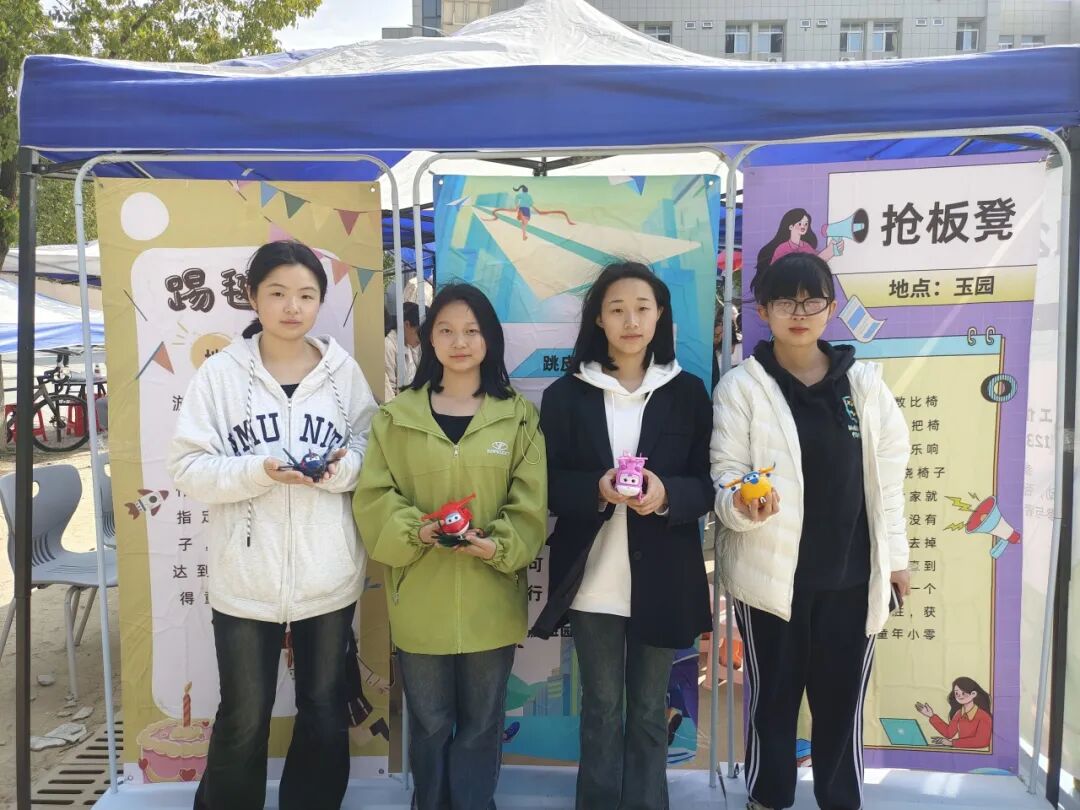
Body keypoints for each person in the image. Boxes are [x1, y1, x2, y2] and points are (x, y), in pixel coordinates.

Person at [168, 240, 378, 810]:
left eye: (306, 295)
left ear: (320, 302)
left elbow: (372, 453)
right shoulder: (221, 375)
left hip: (326, 575)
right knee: (243, 714)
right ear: (253, 297)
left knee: (324, 709)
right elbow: (187, 468)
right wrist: (257, 471)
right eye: (278, 293)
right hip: (245, 580)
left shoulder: (342, 374)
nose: (292, 307)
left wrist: (338, 470)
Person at [710, 252, 910, 810]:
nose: (799, 313)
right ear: (763, 311)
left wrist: (897, 560)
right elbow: (725, 474)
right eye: (784, 301)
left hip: (852, 577)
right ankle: (767, 798)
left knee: (841, 703)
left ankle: (840, 801)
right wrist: (741, 503)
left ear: (830, 307)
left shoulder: (864, 386)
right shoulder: (742, 387)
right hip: (770, 579)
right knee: (773, 702)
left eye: (812, 300)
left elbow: (888, 485)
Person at [353, 282, 548, 810]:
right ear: (428, 339)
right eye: (446, 330)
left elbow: (530, 504)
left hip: (491, 599)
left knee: (483, 725)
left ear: (490, 339)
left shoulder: (518, 416)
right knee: (430, 723)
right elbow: (374, 499)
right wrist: (416, 531)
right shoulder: (396, 418)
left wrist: (498, 545)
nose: (459, 342)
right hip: (421, 599)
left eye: (471, 330)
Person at [532, 261, 714, 810]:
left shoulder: (687, 392)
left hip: (663, 576)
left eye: (642, 308)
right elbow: (546, 483)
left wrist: (666, 494)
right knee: (602, 708)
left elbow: (707, 484)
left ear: (660, 316)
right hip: (593, 580)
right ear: (599, 319)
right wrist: (597, 487)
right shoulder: (567, 395)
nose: (631, 321)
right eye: (617, 309)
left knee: (649, 711)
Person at [916, 677, 993, 749]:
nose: (959, 696)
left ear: (973, 694)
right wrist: (931, 716)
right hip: (962, 751)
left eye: (963, 693)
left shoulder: (984, 716)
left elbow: (982, 741)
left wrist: (951, 743)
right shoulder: (959, 713)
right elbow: (949, 733)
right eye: (956, 693)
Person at [756, 208, 836, 276]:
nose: (803, 226)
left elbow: (815, 260)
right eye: (800, 224)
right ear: (791, 226)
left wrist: (830, 251)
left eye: (806, 224)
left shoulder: (806, 246)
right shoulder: (782, 248)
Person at [384, 301, 421, 401]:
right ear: (407, 325)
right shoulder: (389, 346)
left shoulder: (411, 344)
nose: (421, 339)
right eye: (419, 333)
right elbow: (389, 390)